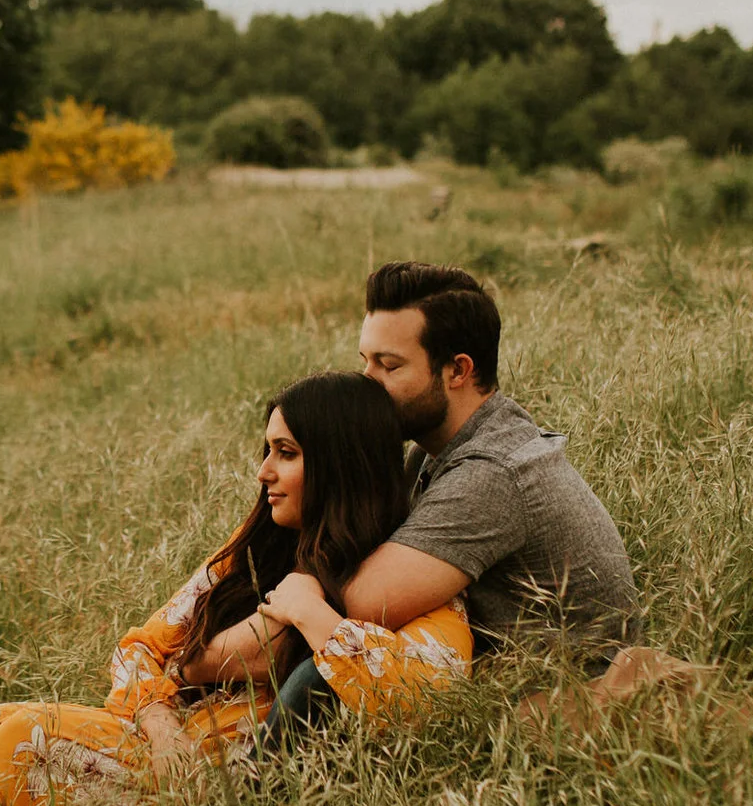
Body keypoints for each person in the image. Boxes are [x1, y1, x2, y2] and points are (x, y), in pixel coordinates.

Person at [0, 372, 472, 806]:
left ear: (338, 465)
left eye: (286, 453)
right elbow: (143, 646)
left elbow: (427, 690)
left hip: (217, 797)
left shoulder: (403, 582)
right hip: (162, 751)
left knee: (17, 734)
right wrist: (164, 726)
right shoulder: (256, 550)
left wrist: (312, 612)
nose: (263, 472)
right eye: (267, 450)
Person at [261, 262, 641, 745]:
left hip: (560, 699)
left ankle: (246, 798)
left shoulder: (493, 473)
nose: (367, 381)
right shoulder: (430, 449)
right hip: (481, 673)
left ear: (458, 370)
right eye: (366, 361)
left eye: (389, 365)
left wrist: (297, 591)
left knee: (324, 674)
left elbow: (361, 603)